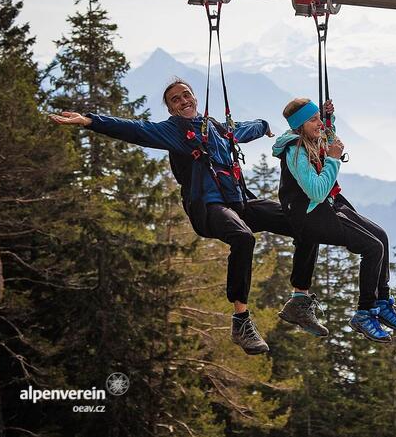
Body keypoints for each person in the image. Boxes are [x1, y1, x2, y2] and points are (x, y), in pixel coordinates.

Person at [49, 79, 329, 355]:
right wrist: (89, 120)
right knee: (242, 238)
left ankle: (299, 300)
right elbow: (137, 129)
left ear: (195, 98)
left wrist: (264, 126)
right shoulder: (173, 131)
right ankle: (241, 321)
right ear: (171, 109)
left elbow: (243, 129)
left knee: (307, 221)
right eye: (176, 99)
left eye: (186, 95)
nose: (183, 101)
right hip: (208, 208)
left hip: (240, 202)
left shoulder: (216, 128)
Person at [272, 98, 396, 343]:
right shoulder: (295, 151)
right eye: (312, 120)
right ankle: (364, 313)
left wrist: (328, 119)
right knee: (372, 247)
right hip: (310, 214)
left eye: (318, 118)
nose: (319, 125)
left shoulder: (313, 139)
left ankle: (381, 299)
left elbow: (327, 137)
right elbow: (316, 190)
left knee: (381, 237)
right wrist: (334, 160)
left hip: (327, 205)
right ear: (299, 126)